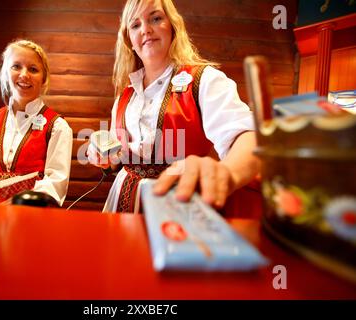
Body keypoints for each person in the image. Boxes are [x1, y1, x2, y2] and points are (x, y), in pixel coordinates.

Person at [87, 0, 260, 214]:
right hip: (122, 201)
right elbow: (117, 158)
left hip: (180, 202)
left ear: (173, 27)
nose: (146, 30)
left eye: (156, 18)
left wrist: (226, 174)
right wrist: (103, 154)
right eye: (135, 25)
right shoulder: (125, 96)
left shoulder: (204, 80)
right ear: (129, 40)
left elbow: (248, 137)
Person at [0, 39, 72, 206]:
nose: (24, 74)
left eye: (33, 69)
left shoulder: (57, 127)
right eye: (16, 66)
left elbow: (55, 184)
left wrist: (14, 203)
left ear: (44, 79)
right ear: (5, 72)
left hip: (32, 214)